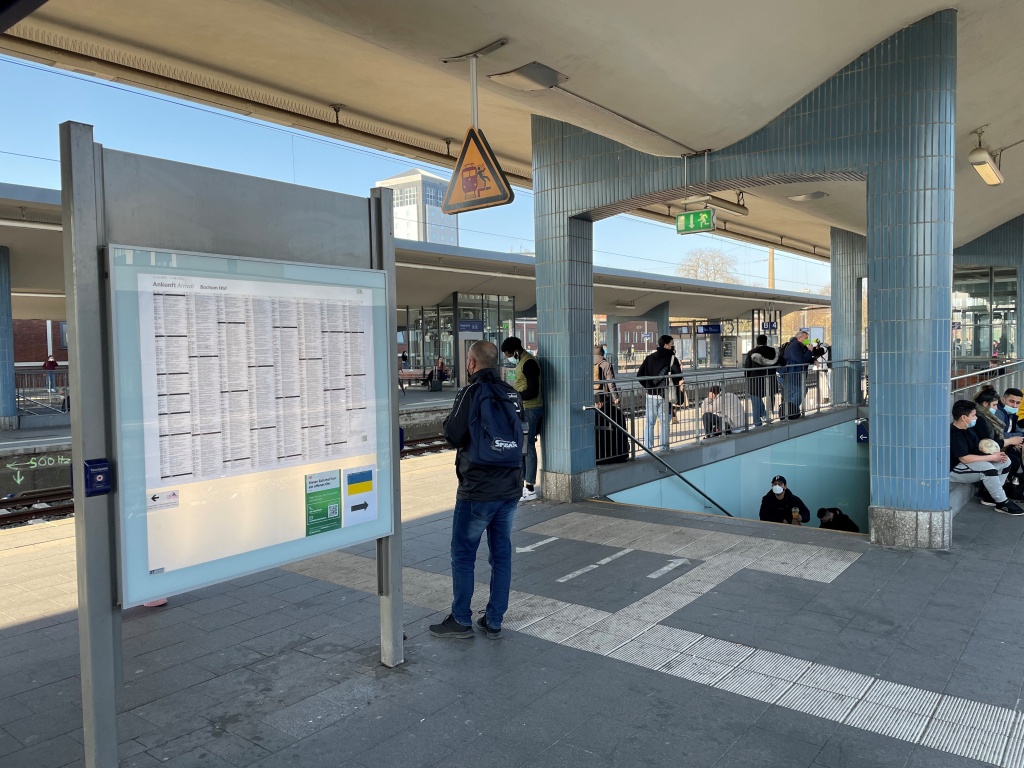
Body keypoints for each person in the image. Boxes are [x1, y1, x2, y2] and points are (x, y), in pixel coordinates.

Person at [430, 340, 525, 639]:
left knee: (463, 554)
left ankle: (461, 619)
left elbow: (452, 434)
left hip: (478, 491)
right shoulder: (512, 393)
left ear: (471, 363)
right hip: (510, 487)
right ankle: (494, 620)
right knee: (501, 555)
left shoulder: (471, 392)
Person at [950, 399, 1022, 515]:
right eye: (973, 415)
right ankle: (1003, 502)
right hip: (955, 469)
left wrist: (996, 455)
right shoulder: (955, 434)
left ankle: (990, 497)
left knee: (1005, 461)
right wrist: (991, 458)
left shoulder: (968, 430)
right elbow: (965, 458)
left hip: (969, 463)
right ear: (964, 417)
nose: (976, 418)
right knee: (988, 468)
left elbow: (976, 450)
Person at [500, 336, 543, 501]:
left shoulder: (529, 363)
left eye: (509, 355)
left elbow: (533, 391)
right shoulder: (522, 361)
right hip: (525, 408)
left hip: (531, 409)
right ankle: (525, 484)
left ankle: (530, 487)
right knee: (523, 447)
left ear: (516, 351)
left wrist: (515, 396)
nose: (509, 358)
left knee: (529, 446)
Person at [973, 388, 1023, 500]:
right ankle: (994, 493)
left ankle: (1006, 489)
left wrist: (1017, 440)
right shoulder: (989, 416)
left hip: (998, 446)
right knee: (1011, 460)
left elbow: (1015, 432)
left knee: (1013, 459)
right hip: (987, 451)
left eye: (1018, 403)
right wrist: (1012, 440)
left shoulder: (1009, 415)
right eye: (1012, 401)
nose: (1015, 406)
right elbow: (995, 437)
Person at [637, 335, 684, 452]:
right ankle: (664, 447)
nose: (673, 345)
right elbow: (678, 376)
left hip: (650, 395)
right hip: (665, 395)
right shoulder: (672, 359)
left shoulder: (649, 358)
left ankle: (648, 449)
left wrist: (648, 386)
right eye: (671, 343)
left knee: (649, 423)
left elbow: (639, 376)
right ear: (666, 345)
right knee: (664, 423)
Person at [780, 329, 825, 419]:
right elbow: (801, 359)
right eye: (806, 338)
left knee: (791, 394)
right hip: (791, 374)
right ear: (799, 338)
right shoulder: (795, 346)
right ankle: (789, 410)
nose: (807, 340)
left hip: (791, 374)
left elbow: (805, 358)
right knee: (802, 390)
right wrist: (809, 350)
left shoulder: (799, 346)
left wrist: (813, 360)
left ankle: (787, 413)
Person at [743, 334, 779, 427]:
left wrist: (747, 377)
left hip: (755, 381)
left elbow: (747, 367)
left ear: (757, 342)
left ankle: (758, 423)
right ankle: (766, 416)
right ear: (766, 341)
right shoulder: (773, 351)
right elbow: (782, 362)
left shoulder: (751, 352)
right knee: (766, 400)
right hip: (770, 380)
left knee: (755, 400)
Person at [593, 343, 620, 410]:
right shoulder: (606, 365)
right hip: (604, 396)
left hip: (591, 396)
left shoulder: (587, 363)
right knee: (605, 416)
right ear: (602, 353)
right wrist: (615, 397)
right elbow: (611, 383)